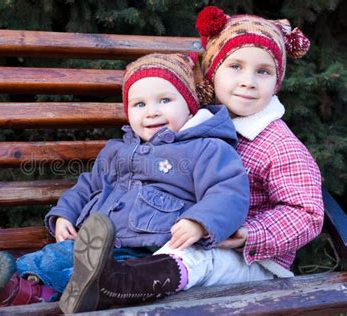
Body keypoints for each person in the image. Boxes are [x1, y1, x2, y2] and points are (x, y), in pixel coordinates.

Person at [0, 52, 250, 311]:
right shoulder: (118, 150)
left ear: (190, 106)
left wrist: (199, 222)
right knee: (58, 258)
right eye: (139, 104)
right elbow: (88, 185)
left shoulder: (206, 149)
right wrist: (63, 215)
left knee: (58, 261)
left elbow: (229, 192)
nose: (151, 111)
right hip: (95, 243)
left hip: (142, 251)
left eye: (165, 100)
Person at [58, 6, 325, 313]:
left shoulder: (278, 143)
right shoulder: (190, 124)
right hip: (188, 237)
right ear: (212, 70)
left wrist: (249, 235)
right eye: (235, 66)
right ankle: (96, 280)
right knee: (170, 250)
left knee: (198, 257)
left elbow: (306, 212)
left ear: (277, 82)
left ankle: (118, 287)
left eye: (263, 71)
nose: (248, 81)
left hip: (251, 259)